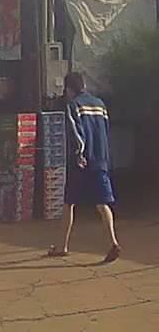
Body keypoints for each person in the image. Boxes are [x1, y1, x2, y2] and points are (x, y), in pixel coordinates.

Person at [49, 72, 121, 263]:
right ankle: (113, 242)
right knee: (102, 203)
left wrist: (79, 154)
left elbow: (76, 132)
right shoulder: (100, 104)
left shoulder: (73, 105)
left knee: (69, 202)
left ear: (68, 89)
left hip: (82, 162)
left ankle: (62, 246)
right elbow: (105, 132)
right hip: (101, 159)